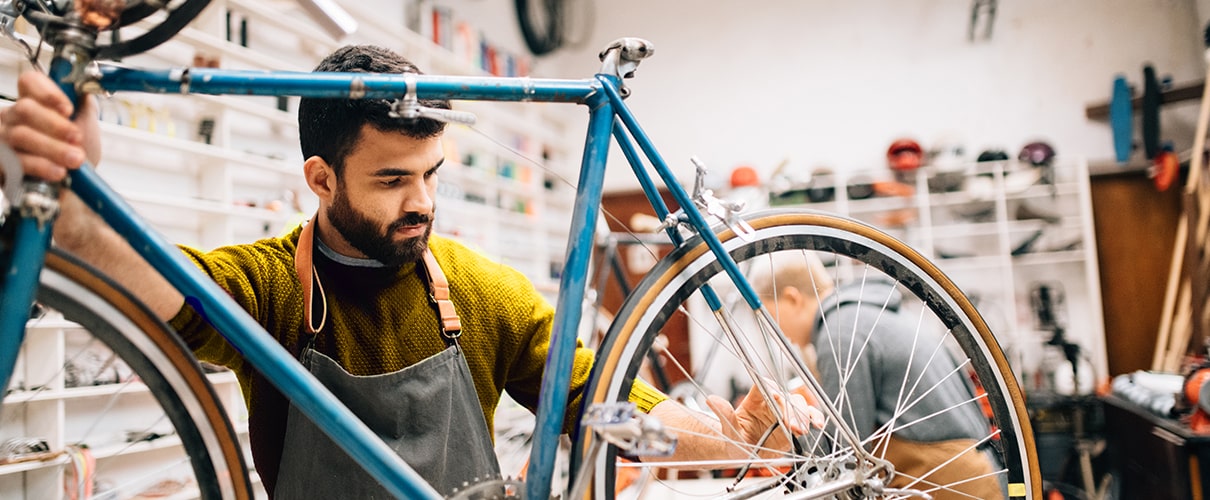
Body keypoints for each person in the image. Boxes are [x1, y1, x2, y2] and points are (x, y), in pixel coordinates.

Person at [0, 44, 811, 497]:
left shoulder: (478, 288)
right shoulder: (275, 288)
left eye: (433, 174)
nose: (421, 202)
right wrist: (73, 205)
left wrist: (733, 435)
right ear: (321, 179)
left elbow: (596, 397)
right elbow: (160, 289)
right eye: (392, 180)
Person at [749, 250, 1004, 500]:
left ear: (792, 299)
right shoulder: (863, 314)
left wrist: (786, 431)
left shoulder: (839, 332)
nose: (777, 334)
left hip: (949, 483)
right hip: (974, 472)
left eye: (772, 318)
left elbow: (846, 451)